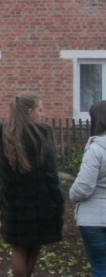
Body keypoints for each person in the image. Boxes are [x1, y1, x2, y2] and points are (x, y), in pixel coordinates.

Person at [0, 93, 63, 277]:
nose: (44, 114)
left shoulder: (4, 132)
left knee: (18, 247)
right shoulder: (41, 133)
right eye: (41, 109)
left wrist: (6, 189)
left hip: (13, 199)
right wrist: (58, 198)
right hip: (40, 199)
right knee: (34, 246)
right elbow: (50, 171)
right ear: (30, 112)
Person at [69, 100, 106, 277]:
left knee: (100, 266)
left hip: (94, 219)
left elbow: (83, 188)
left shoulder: (96, 149)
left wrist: (72, 195)